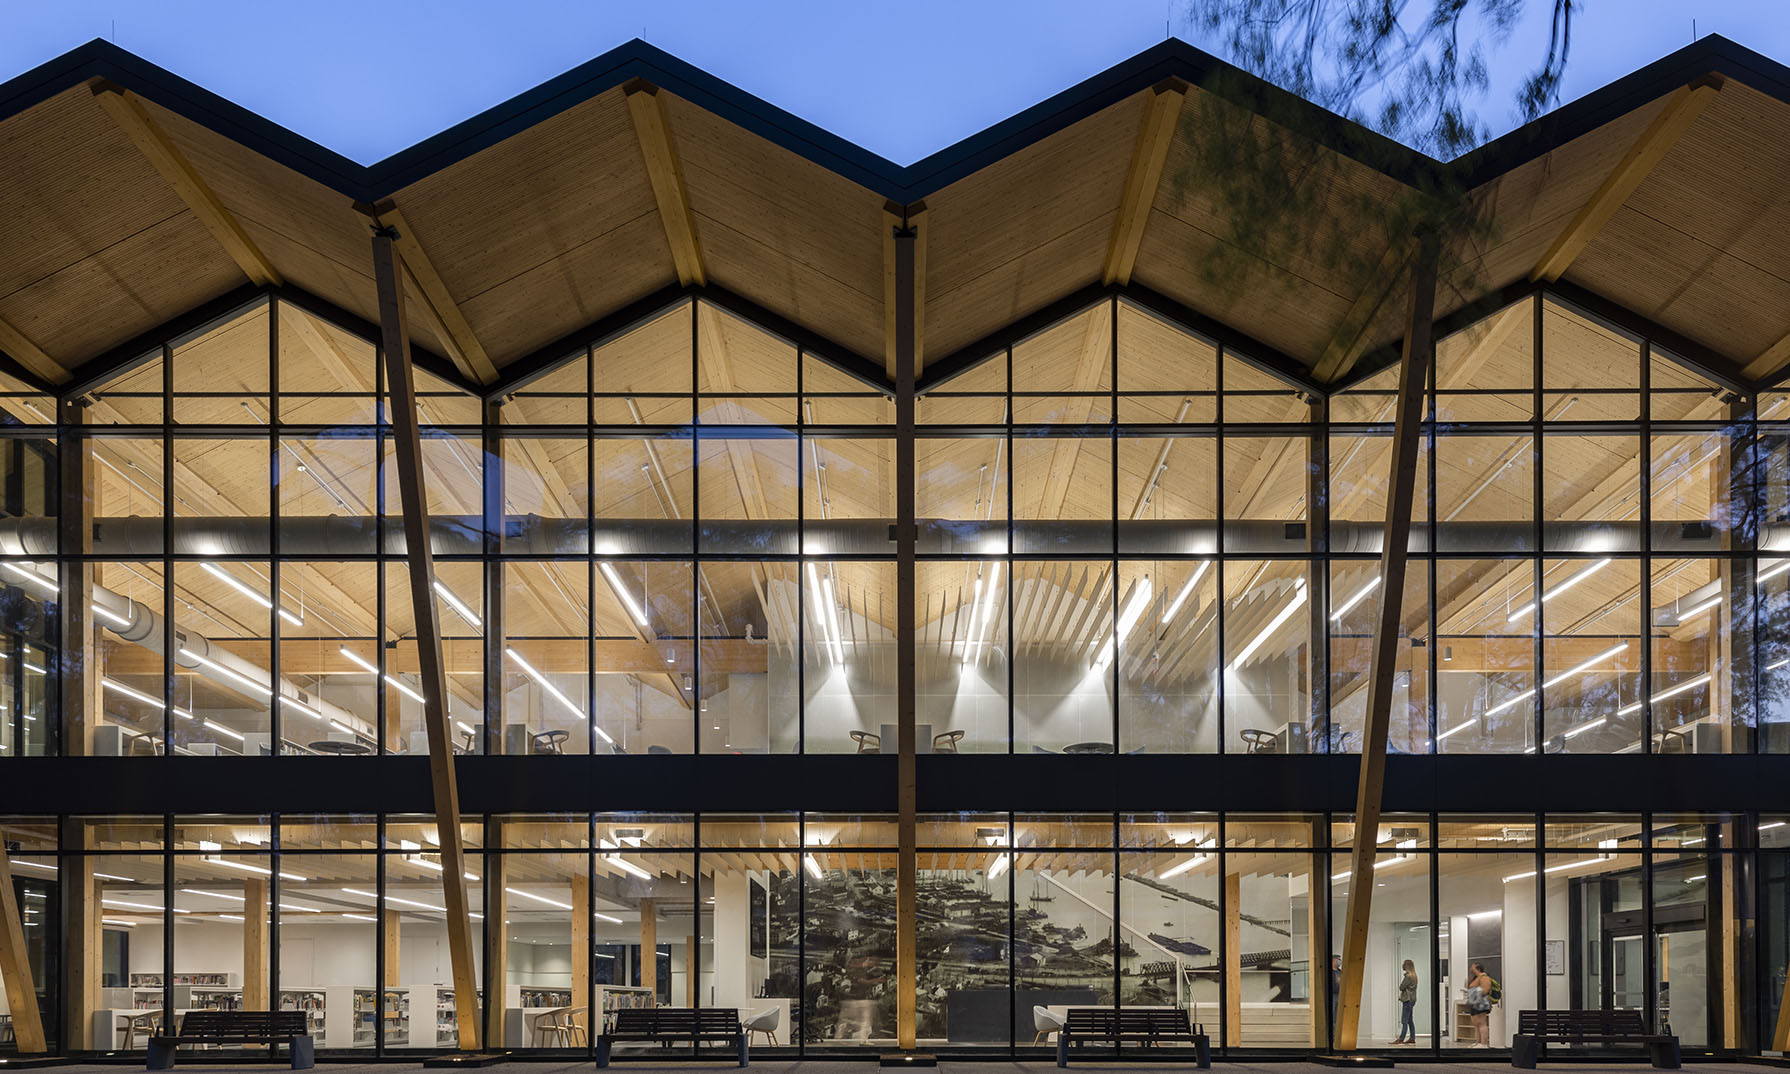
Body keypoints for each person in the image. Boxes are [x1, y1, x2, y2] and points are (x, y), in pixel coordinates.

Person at [1464, 962, 1494, 1048]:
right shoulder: (1475, 978)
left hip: (1480, 1004)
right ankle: (1478, 1041)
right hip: (1474, 1003)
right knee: (1476, 1023)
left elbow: (1485, 989)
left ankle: (1483, 1043)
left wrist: (1474, 992)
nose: (1471, 968)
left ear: (1478, 968)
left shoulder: (1484, 977)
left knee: (1481, 1023)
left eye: (1473, 967)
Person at [1394, 959, 1418, 1044]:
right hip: (1412, 1000)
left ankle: (1401, 1038)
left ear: (1407, 966)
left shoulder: (1408, 976)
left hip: (1407, 1000)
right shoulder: (1414, 976)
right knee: (1410, 1020)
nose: (1403, 966)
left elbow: (1401, 987)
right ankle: (1412, 1038)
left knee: (1404, 1020)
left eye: (1404, 964)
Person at [1328, 954, 1342, 1044]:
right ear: (1333, 960)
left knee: (1336, 1018)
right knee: (1331, 1017)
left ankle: (1335, 1036)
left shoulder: (1340, 972)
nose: (1340, 961)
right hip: (1332, 995)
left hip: (1339, 995)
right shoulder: (1329, 972)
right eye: (1338, 959)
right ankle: (1331, 1037)